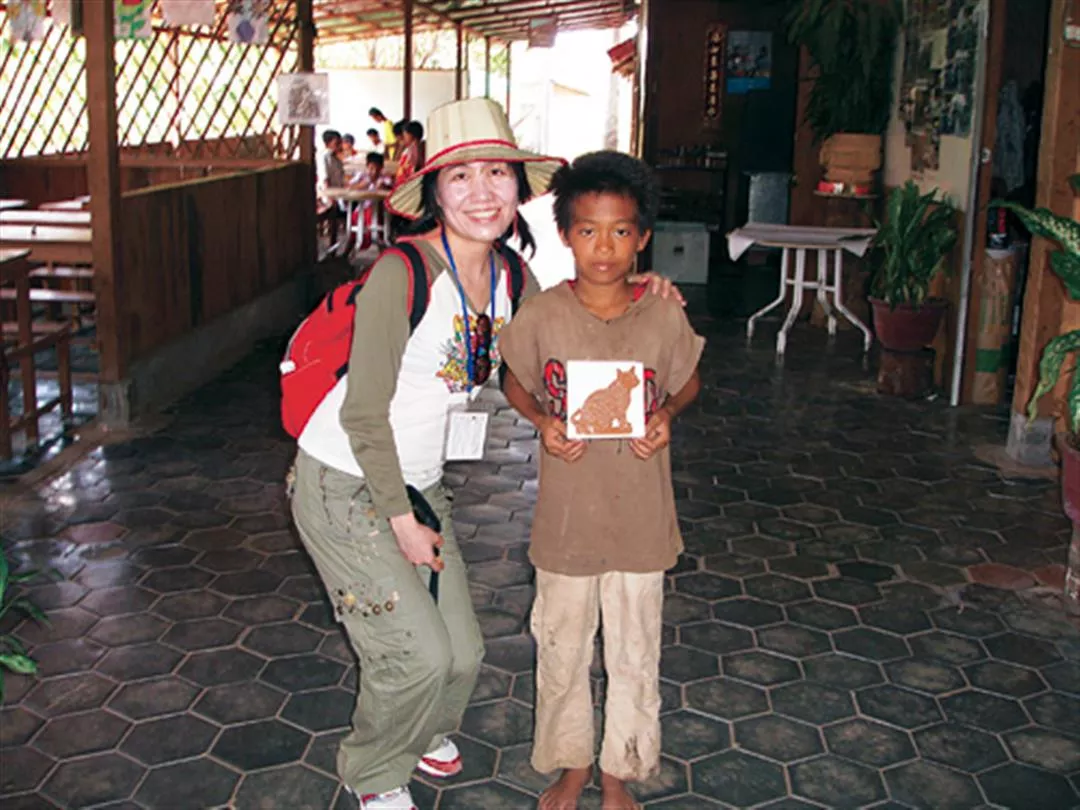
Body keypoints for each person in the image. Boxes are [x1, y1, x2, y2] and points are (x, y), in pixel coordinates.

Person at [290, 100, 682, 810]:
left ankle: (422, 729)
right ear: (435, 193)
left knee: (464, 652)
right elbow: (363, 413)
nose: (482, 192)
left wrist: (646, 290)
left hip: (419, 482)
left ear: (517, 186)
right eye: (461, 175)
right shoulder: (402, 275)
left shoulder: (511, 278)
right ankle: (373, 771)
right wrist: (400, 520)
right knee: (416, 652)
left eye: (497, 173)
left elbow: (572, 318)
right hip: (345, 481)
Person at [498, 150, 704, 810]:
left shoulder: (662, 314)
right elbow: (513, 377)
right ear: (566, 234)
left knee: (635, 651)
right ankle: (572, 767)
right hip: (567, 524)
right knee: (561, 646)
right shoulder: (544, 314)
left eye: (620, 231)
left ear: (643, 237)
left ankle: (621, 772)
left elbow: (687, 379)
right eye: (588, 230)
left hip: (641, 520)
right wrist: (541, 421)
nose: (605, 247)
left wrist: (665, 414)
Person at [394, 120, 424, 185]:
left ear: (412, 135)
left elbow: (415, 168)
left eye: (405, 134)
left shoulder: (415, 148)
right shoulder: (410, 148)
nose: (404, 137)